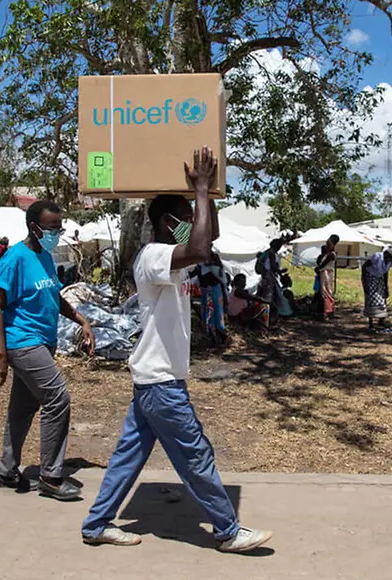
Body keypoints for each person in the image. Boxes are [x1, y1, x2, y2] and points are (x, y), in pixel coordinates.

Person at [81, 147, 273, 553]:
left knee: (128, 456)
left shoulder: (173, 257)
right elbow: (201, 247)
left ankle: (96, 524)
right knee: (195, 455)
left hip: (153, 380)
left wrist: (211, 193)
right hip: (162, 383)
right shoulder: (154, 257)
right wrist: (200, 188)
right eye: (185, 220)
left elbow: (209, 237)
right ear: (168, 223)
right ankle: (227, 531)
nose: (193, 226)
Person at [0, 201, 95, 501]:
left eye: (59, 228)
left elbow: (54, 295)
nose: (55, 233)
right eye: (51, 228)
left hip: (44, 343)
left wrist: (81, 319)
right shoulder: (15, 259)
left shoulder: (45, 257)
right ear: (34, 227)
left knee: (23, 408)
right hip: (23, 342)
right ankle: (50, 476)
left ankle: (7, 471)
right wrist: (0, 354)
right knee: (57, 397)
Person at [191, 250, 229, 346]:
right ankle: (213, 337)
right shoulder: (199, 263)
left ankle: (220, 337)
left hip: (215, 291)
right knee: (208, 314)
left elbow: (221, 279)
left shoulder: (213, 262)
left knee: (216, 314)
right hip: (206, 291)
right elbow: (193, 274)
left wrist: (225, 295)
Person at [362, 248, 392, 332]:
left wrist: (386, 287)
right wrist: (365, 283)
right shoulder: (377, 256)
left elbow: (386, 273)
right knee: (370, 299)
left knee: (382, 299)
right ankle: (371, 323)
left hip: (380, 279)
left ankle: (381, 320)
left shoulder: (390, 261)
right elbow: (364, 267)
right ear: (386, 254)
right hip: (370, 278)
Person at [256, 239, 286, 311]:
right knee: (269, 295)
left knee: (266, 293)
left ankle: (266, 311)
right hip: (269, 276)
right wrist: (281, 271)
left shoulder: (267, 252)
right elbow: (273, 266)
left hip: (265, 276)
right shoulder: (272, 253)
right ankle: (266, 312)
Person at [316, 235, 339, 320]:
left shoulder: (331, 255)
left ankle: (327, 312)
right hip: (325, 273)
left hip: (326, 274)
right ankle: (329, 311)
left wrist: (318, 269)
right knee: (326, 291)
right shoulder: (328, 254)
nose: (327, 246)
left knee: (326, 292)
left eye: (329, 244)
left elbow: (322, 265)